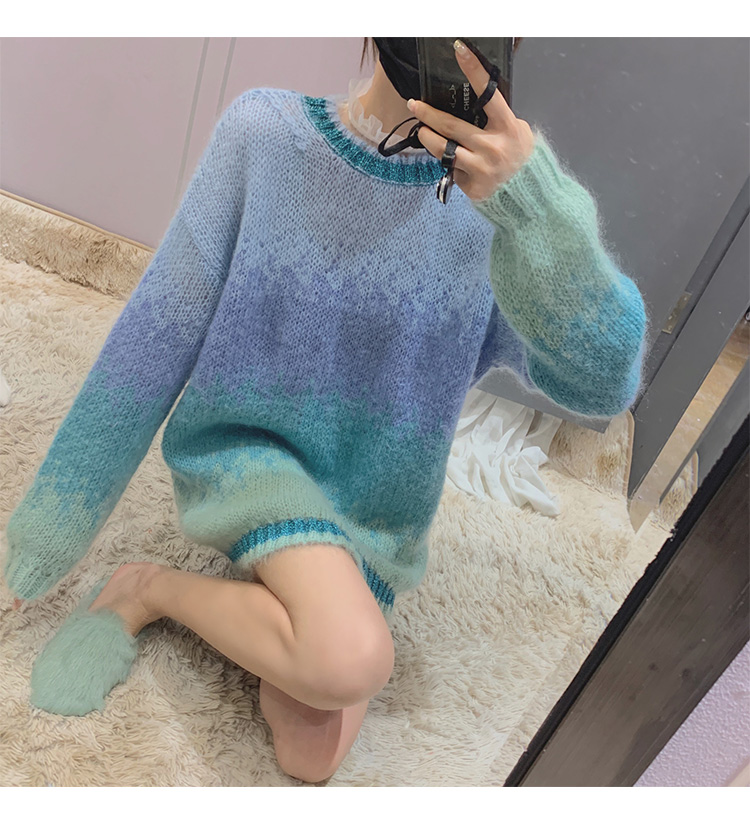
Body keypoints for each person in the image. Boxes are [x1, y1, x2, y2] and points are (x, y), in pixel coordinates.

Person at [3, 38, 648, 783]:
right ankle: (147, 587)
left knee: (309, 753)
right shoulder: (265, 135)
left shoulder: (499, 218)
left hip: (375, 508)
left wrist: (538, 213)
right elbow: (157, 334)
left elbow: (605, 387)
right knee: (349, 658)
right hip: (250, 458)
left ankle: (296, 597)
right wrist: (51, 528)